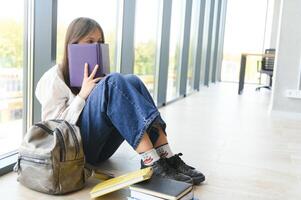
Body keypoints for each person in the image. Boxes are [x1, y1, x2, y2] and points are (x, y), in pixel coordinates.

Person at [35, 17, 205, 185]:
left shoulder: (94, 72)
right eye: (90, 41)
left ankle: (166, 156)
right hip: (76, 153)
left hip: (102, 149)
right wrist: (82, 96)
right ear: (73, 43)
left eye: (100, 42)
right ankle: (150, 160)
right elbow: (53, 132)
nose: (96, 46)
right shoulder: (53, 78)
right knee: (113, 81)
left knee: (132, 81)